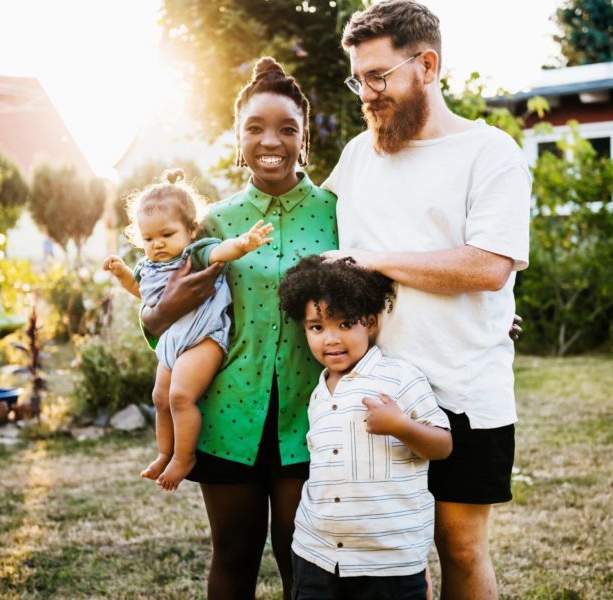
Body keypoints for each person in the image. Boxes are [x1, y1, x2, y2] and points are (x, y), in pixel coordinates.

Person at [322, 2, 532, 599]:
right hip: (377, 397)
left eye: (378, 77)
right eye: (357, 79)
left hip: (465, 391)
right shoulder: (358, 156)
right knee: (385, 557)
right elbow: (313, 239)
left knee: (461, 551)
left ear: (428, 64)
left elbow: (489, 265)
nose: (365, 93)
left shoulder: (489, 153)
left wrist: (375, 260)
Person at [140, 58, 338, 599]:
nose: (269, 140)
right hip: (229, 417)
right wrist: (152, 324)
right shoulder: (215, 222)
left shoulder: (338, 211)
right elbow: (164, 309)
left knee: (305, 558)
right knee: (232, 553)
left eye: (286, 129)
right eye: (255, 128)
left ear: (303, 139)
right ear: (238, 137)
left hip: (313, 417)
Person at [278, 255, 452, 600]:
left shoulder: (399, 377)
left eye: (345, 324)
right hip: (318, 553)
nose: (331, 339)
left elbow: (442, 445)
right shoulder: (318, 393)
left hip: (388, 560)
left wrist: (401, 426)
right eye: (317, 327)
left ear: (370, 323)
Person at [102, 170, 274, 491]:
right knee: (160, 397)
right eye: (149, 239)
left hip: (204, 339)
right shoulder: (149, 266)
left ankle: (185, 457)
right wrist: (122, 273)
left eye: (167, 235)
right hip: (172, 342)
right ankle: (165, 452)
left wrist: (243, 244)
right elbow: (142, 292)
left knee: (180, 396)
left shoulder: (193, 254)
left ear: (190, 229)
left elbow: (220, 253)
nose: (158, 245)